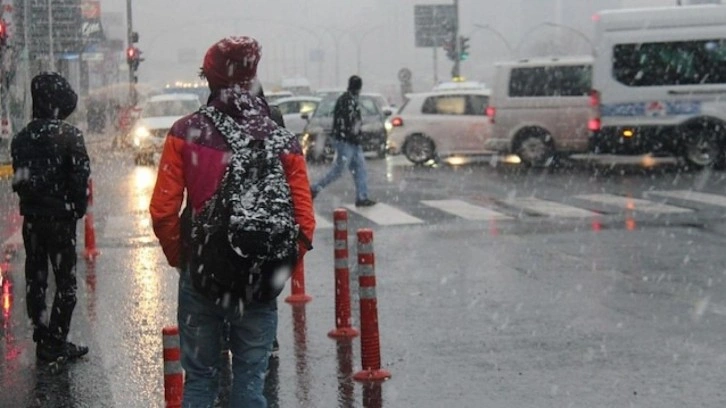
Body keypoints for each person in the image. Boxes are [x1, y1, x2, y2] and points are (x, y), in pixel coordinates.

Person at [150, 36, 315, 407]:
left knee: (200, 380)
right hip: (259, 279)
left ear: (209, 78)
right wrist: (273, 266)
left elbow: (163, 212)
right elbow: (304, 223)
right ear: (253, 76)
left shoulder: (184, 133)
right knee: (250, 382)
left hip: (203, 275)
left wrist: (186, 260)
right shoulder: (281, 139)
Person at [10, 72, 91, 362]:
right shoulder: (70, 136)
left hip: (32, 220)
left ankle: (42, 335)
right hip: (61, 219)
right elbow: (81, 180)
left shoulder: (21, 139)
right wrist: (75, 208)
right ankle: (57, 340)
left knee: (36, 278)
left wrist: (33, 199)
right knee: (66, 283)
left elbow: (18, 182)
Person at [310, 75, 376, 207]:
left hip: (348, 141)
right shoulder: (349, 101)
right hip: (347, 141)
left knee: (359, 169)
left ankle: (362, 196)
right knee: (340, 170)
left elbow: (346, 122)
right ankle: (315, 188)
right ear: (358, 88)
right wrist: (354, 135)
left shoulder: (346, 99)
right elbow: (350, 123)